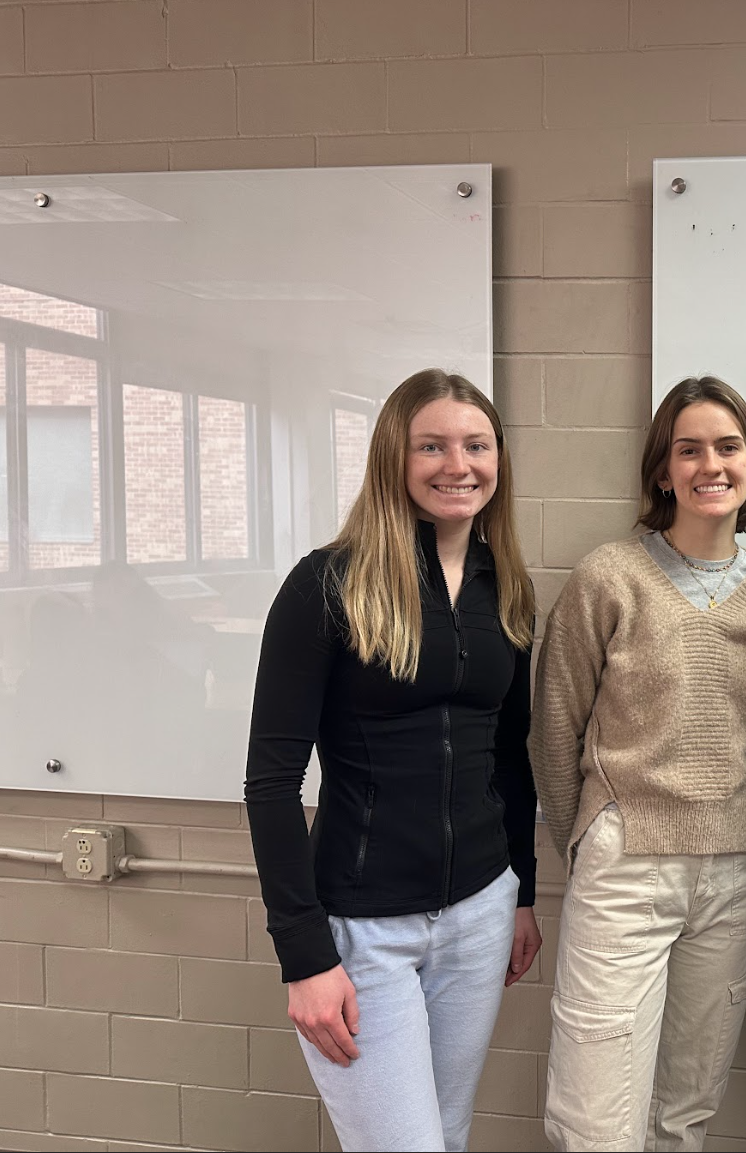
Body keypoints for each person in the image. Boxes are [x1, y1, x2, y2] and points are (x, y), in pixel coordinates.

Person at [245, 369, 540, 1152]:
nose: (458, 463)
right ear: (393, 458)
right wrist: (303, 955)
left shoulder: (503, 585)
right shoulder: (327, 583)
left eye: (476, 444)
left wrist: (521, 894)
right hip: (363, 930)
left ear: (498, 458)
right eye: (432, 445)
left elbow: (509, 756)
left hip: (481, 910)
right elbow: (271, 784)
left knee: (445, 1132)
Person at [530, 375, 746, 1152]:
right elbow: (556, 729)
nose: (709, 464)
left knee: (684, 1110)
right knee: (596, 1119)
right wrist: (588, 836)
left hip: (730, 869)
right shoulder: (608, 577)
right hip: (625, 865)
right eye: (688, 449)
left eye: (728, 447)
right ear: (662, 470)